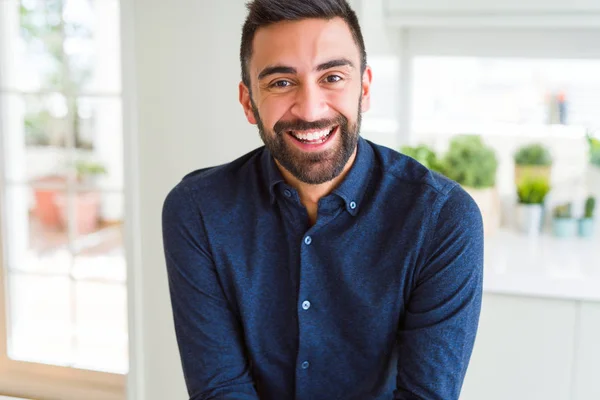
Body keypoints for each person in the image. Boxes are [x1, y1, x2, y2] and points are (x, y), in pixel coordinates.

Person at [161, 0, 484, 399]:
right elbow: (220, 388)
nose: (311, 109)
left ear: (364, 89)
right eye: (281, 82)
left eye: (332, 77)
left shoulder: (442, 218)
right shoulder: (196, 211)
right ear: (248, 103)